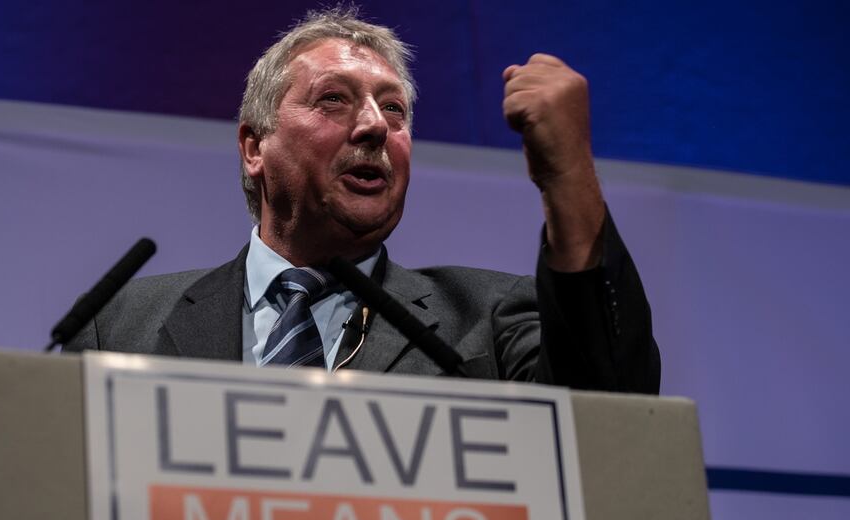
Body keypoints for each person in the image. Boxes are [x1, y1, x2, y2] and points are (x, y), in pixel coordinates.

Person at [65, 7, 660, 394]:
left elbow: (615, 420)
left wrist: (568, 176)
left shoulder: (490, 320)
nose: (377, 127)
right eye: (334, 100)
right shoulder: (118, 327)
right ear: (254, 147)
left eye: (394, 108)